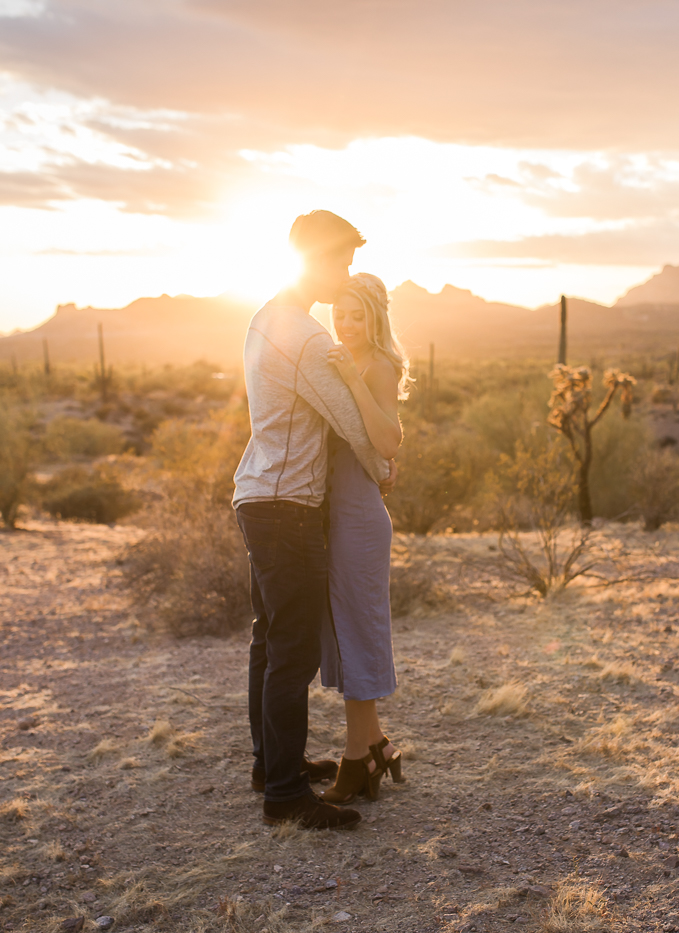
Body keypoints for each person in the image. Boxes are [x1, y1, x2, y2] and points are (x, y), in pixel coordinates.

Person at [232, 211, 393, 830]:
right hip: (288, 504)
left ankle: (272, 765)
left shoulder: (265, 317)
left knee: (268, 640)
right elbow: (356, 430)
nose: (346, 273)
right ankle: (286, 797)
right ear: (319, 259)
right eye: (343, 262)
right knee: (292, 652)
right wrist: (381, 464)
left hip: (257, 494)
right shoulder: (306, 338)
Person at [317, 273, 409, 802]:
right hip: (338, 515)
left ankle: (356, 763)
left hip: (360, 521)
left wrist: (353, 380)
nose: (347, 324)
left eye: (357, 315)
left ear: (375, 318)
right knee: (343, 628)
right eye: (341, 314)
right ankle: (377, 745)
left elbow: (389, 440)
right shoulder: (335, 357)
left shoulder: (378, 365)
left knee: (358, 631)